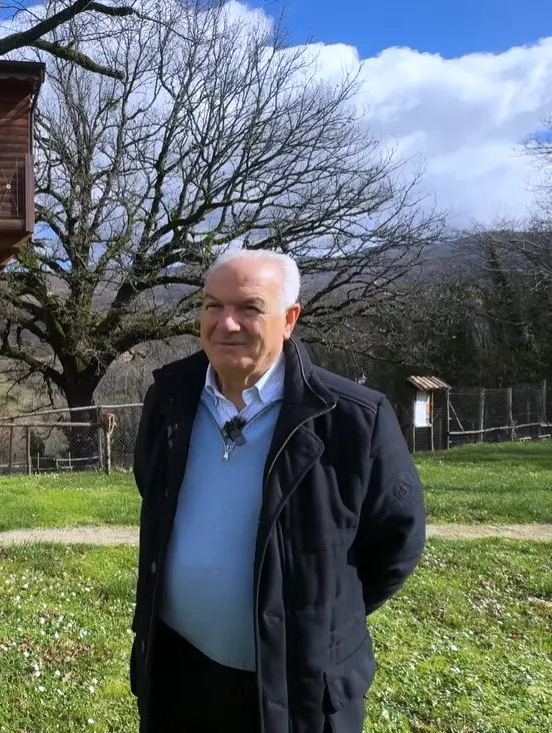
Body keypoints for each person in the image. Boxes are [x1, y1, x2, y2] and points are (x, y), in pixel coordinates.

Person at [129, 249, 427, 733]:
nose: (226, 323)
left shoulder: (352, 420)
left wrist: (313, 609)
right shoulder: (169, 397)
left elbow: (397, 541)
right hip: (176, 670)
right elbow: (154, 490)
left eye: (249, 308)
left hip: (295, 686)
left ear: (289, 319)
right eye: (212, 305)